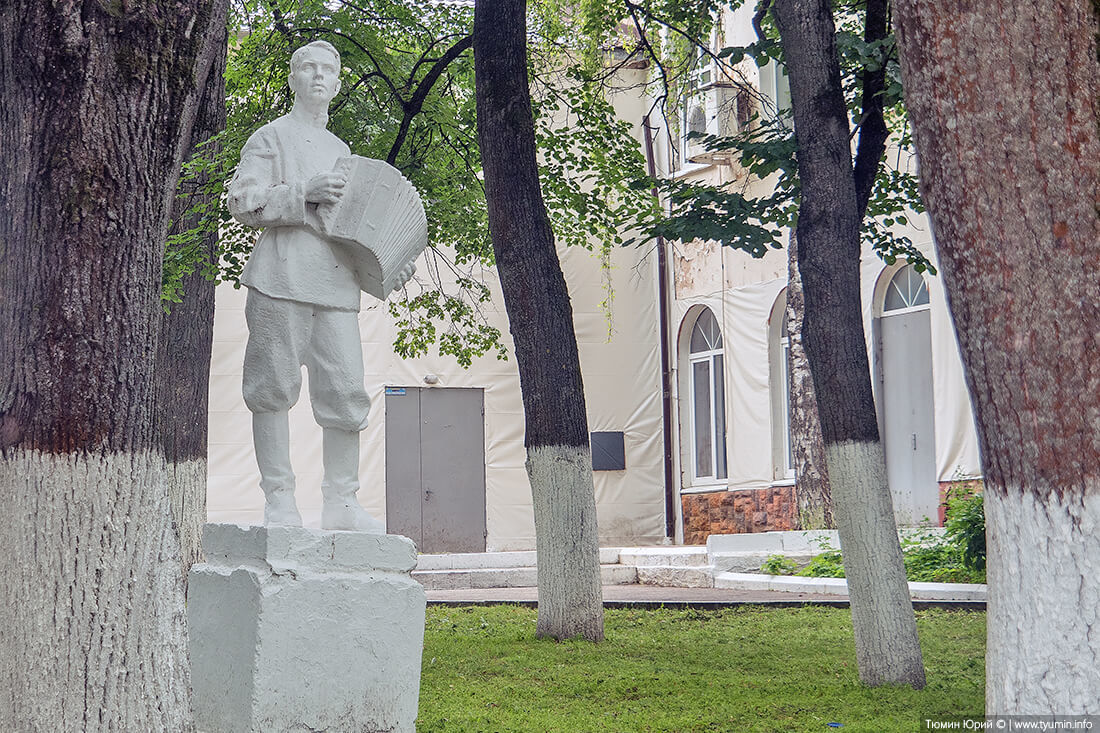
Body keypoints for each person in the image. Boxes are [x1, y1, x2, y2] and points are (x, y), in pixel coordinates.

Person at [228, 40, 408, 531]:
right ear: (293, 78)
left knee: (346, 391)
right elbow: (242, 202)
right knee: (270, 389)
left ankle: (341, 501)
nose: (319, 76)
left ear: (338, 82)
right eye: (308, 67)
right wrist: (301, 193)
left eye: (328, 69)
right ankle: (280, 500)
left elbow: (354, 229)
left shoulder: (341, 153)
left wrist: (389, 265)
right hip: (281, 278)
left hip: (334, 286)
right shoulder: (270, 137)